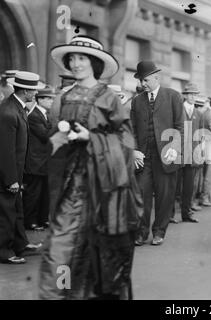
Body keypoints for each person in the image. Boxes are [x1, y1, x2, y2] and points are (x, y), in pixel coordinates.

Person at [39, 35, 143, 299]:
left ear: (94, 62)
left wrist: (92, 138)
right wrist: (57, 140)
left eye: (81, 58)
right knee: (61, 246)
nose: (75, 63)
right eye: (71, 58)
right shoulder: (64, 98)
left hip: (105, 188)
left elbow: (126, 141)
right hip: (71, 185)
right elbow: (54, 140)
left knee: (101, 252)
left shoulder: (109, 98)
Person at [131, 60, 183, 247]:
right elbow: (133, 130)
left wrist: (174, 147)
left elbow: (180, 127)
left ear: (156, 77)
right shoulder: (137, 101)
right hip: (143, 158)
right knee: (141, 195)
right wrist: (135, 150)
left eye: (145, 80)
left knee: (164, 196)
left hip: (166, 156)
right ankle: (141, 232)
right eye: (140, 81)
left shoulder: (173, 96)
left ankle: (159, 231)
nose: (142, 84)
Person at [0, 71, 45, 265]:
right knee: (6, 213)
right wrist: (11, 179)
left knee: (16, 210)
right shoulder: (8, 112)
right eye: (33, 89)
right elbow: (5, 151)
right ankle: (4, 251)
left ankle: (20, 244)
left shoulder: (16, 107)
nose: (35, 93)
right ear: (25, 90)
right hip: (8, 174)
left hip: (17, 171)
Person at [22, 86, 56, 231]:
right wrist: (60, 127)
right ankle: (30, 221)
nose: (51, 101)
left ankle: (42, 219)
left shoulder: (44, 114)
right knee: (33, 193)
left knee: (44, 193)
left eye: (51, 98)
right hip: (35, 162)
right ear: (40, 99)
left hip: (43, 161)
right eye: (48, 98)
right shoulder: (34, 116)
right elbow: (45, 135)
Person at [176, 82, 203, 223]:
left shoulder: (198, 113)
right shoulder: (178, 110)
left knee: (189, 187)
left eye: (195, 94)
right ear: (185, 95)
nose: (193, 97)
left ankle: (186, 214)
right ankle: (169, 215)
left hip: (192, 154)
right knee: (174, 186)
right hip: (178, 153)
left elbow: (200, 134)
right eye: (190, 94)